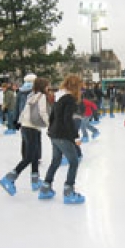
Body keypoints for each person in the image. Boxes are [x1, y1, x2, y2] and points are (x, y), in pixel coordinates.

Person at [0, 77, 50, 196]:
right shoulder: (41, 96)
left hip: (27, 127)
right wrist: (50, 125)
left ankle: (35, 180)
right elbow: (42, 112)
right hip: (32, 128)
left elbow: (23, 111)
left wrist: (20, 123)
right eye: (47, 85)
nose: (48, 88)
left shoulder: (31, 95)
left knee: (34, 155)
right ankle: (9, 178)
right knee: (30, 156)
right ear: (43, 86)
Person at [38, 74, 85, 204]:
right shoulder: (69, 99)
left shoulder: (58, 97)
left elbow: (52, 116)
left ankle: (45, 188)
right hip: (63, 135)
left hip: (54, 134)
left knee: (56, 161)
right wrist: (75, 137)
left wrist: (51, 130)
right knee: (74, 161)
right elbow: (67, 121)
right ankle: (69, 191)